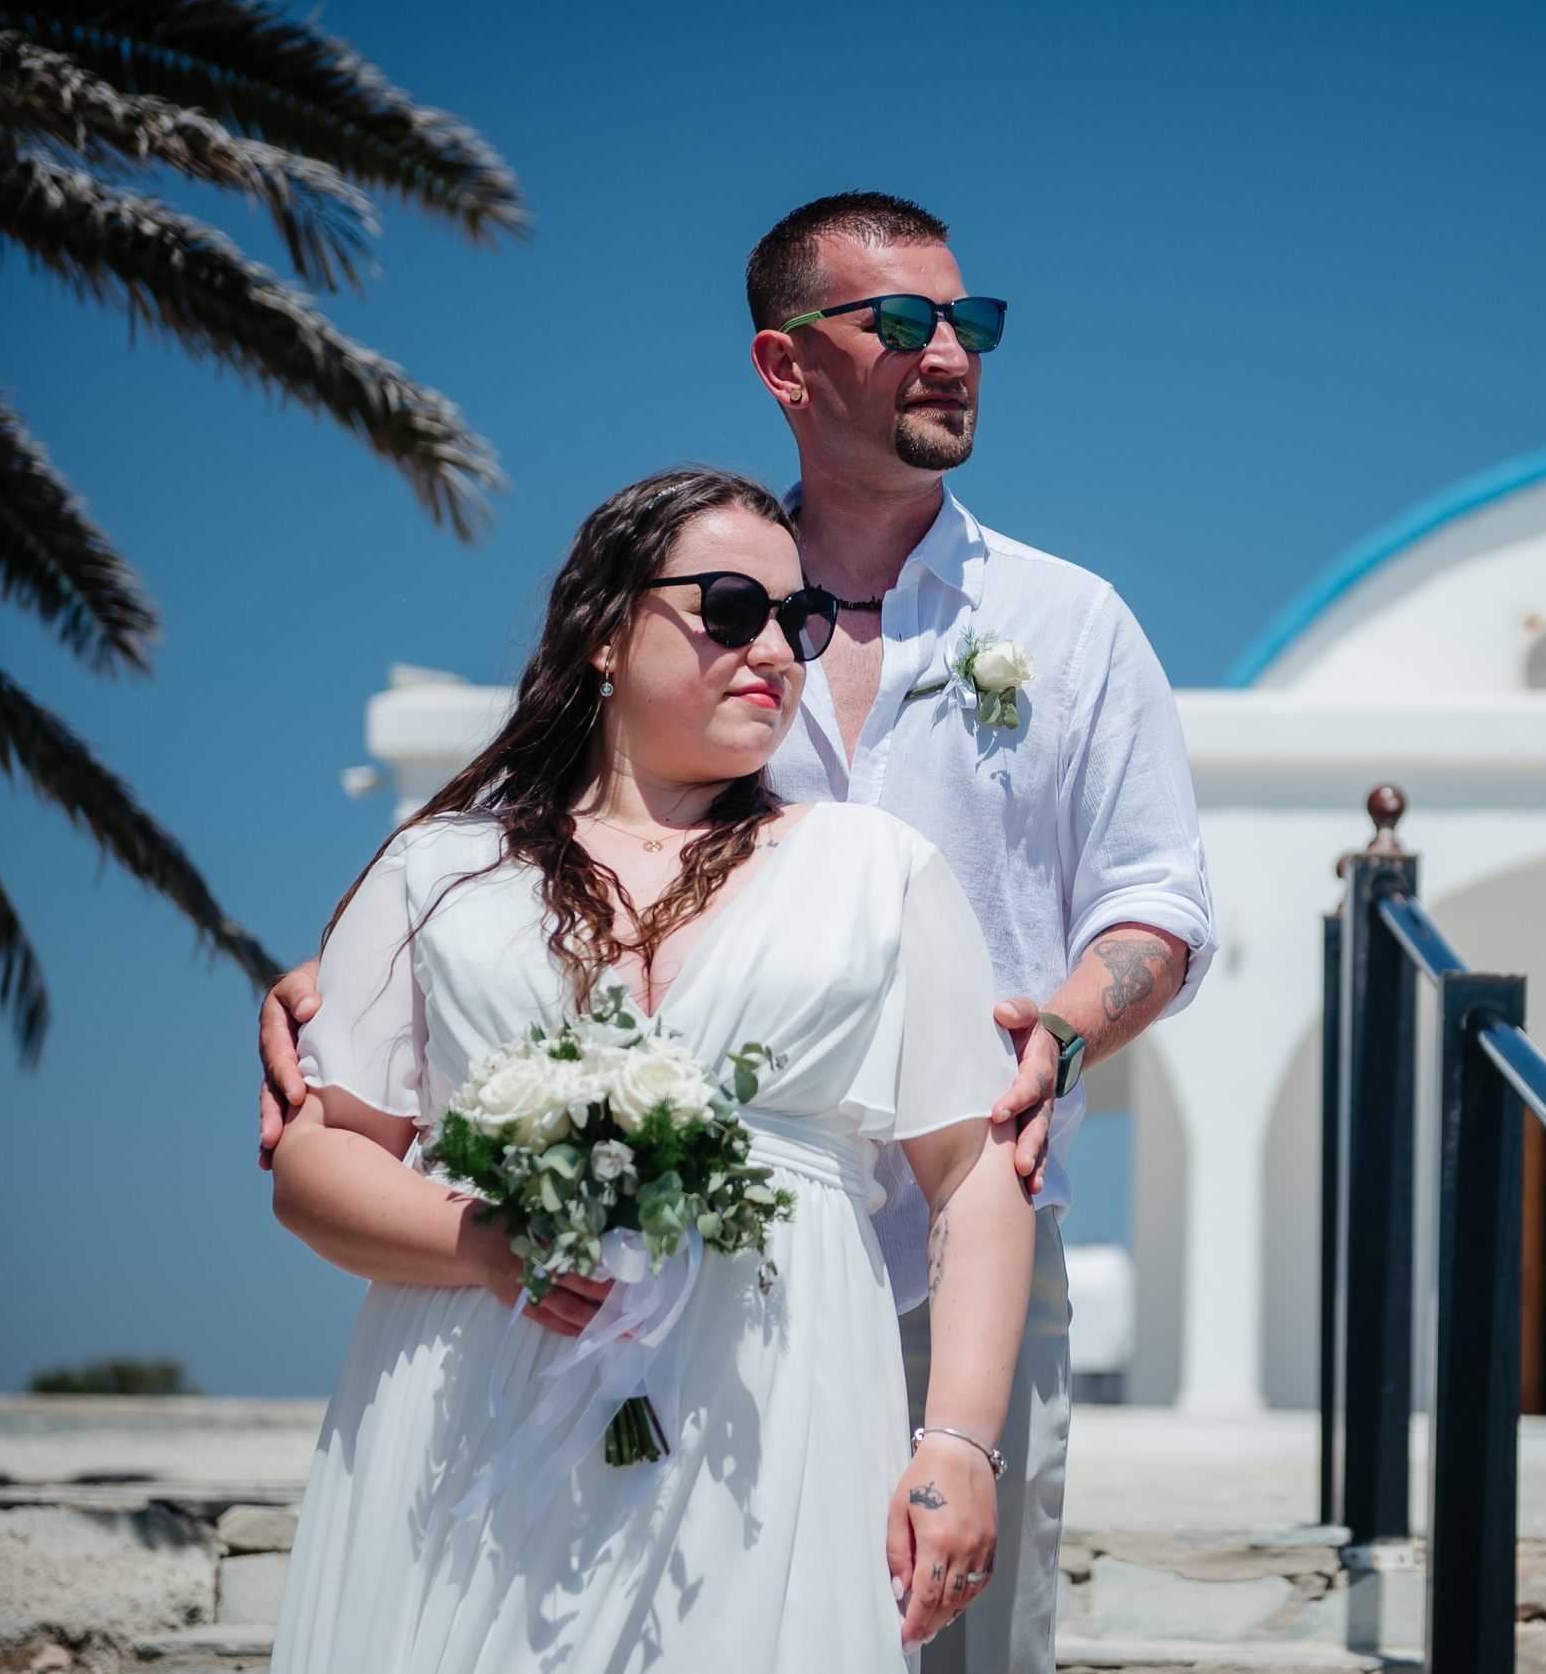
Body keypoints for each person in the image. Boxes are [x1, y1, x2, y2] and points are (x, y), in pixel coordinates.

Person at [262, 192, 1217, 1673]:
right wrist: (375, 993)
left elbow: (1160, 902)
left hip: (948, 1247)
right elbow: (529, 876)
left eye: (972, 322)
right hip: (578, 1297)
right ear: (787, 364)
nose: (950, 350)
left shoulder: (1072, 622)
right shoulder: (679, 621)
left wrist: (1061, 1031)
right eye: (903, 323)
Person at [265, 468, 1033, 1671]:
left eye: (801, 619)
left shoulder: (877, 869)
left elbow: (976, 1172)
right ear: (608, 631)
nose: (776, 647)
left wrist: (959, 1444)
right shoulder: (440, 870)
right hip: (475, 1400)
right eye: (731, 608)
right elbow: (316, 1160)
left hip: (772, 1415)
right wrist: (482, 1241)